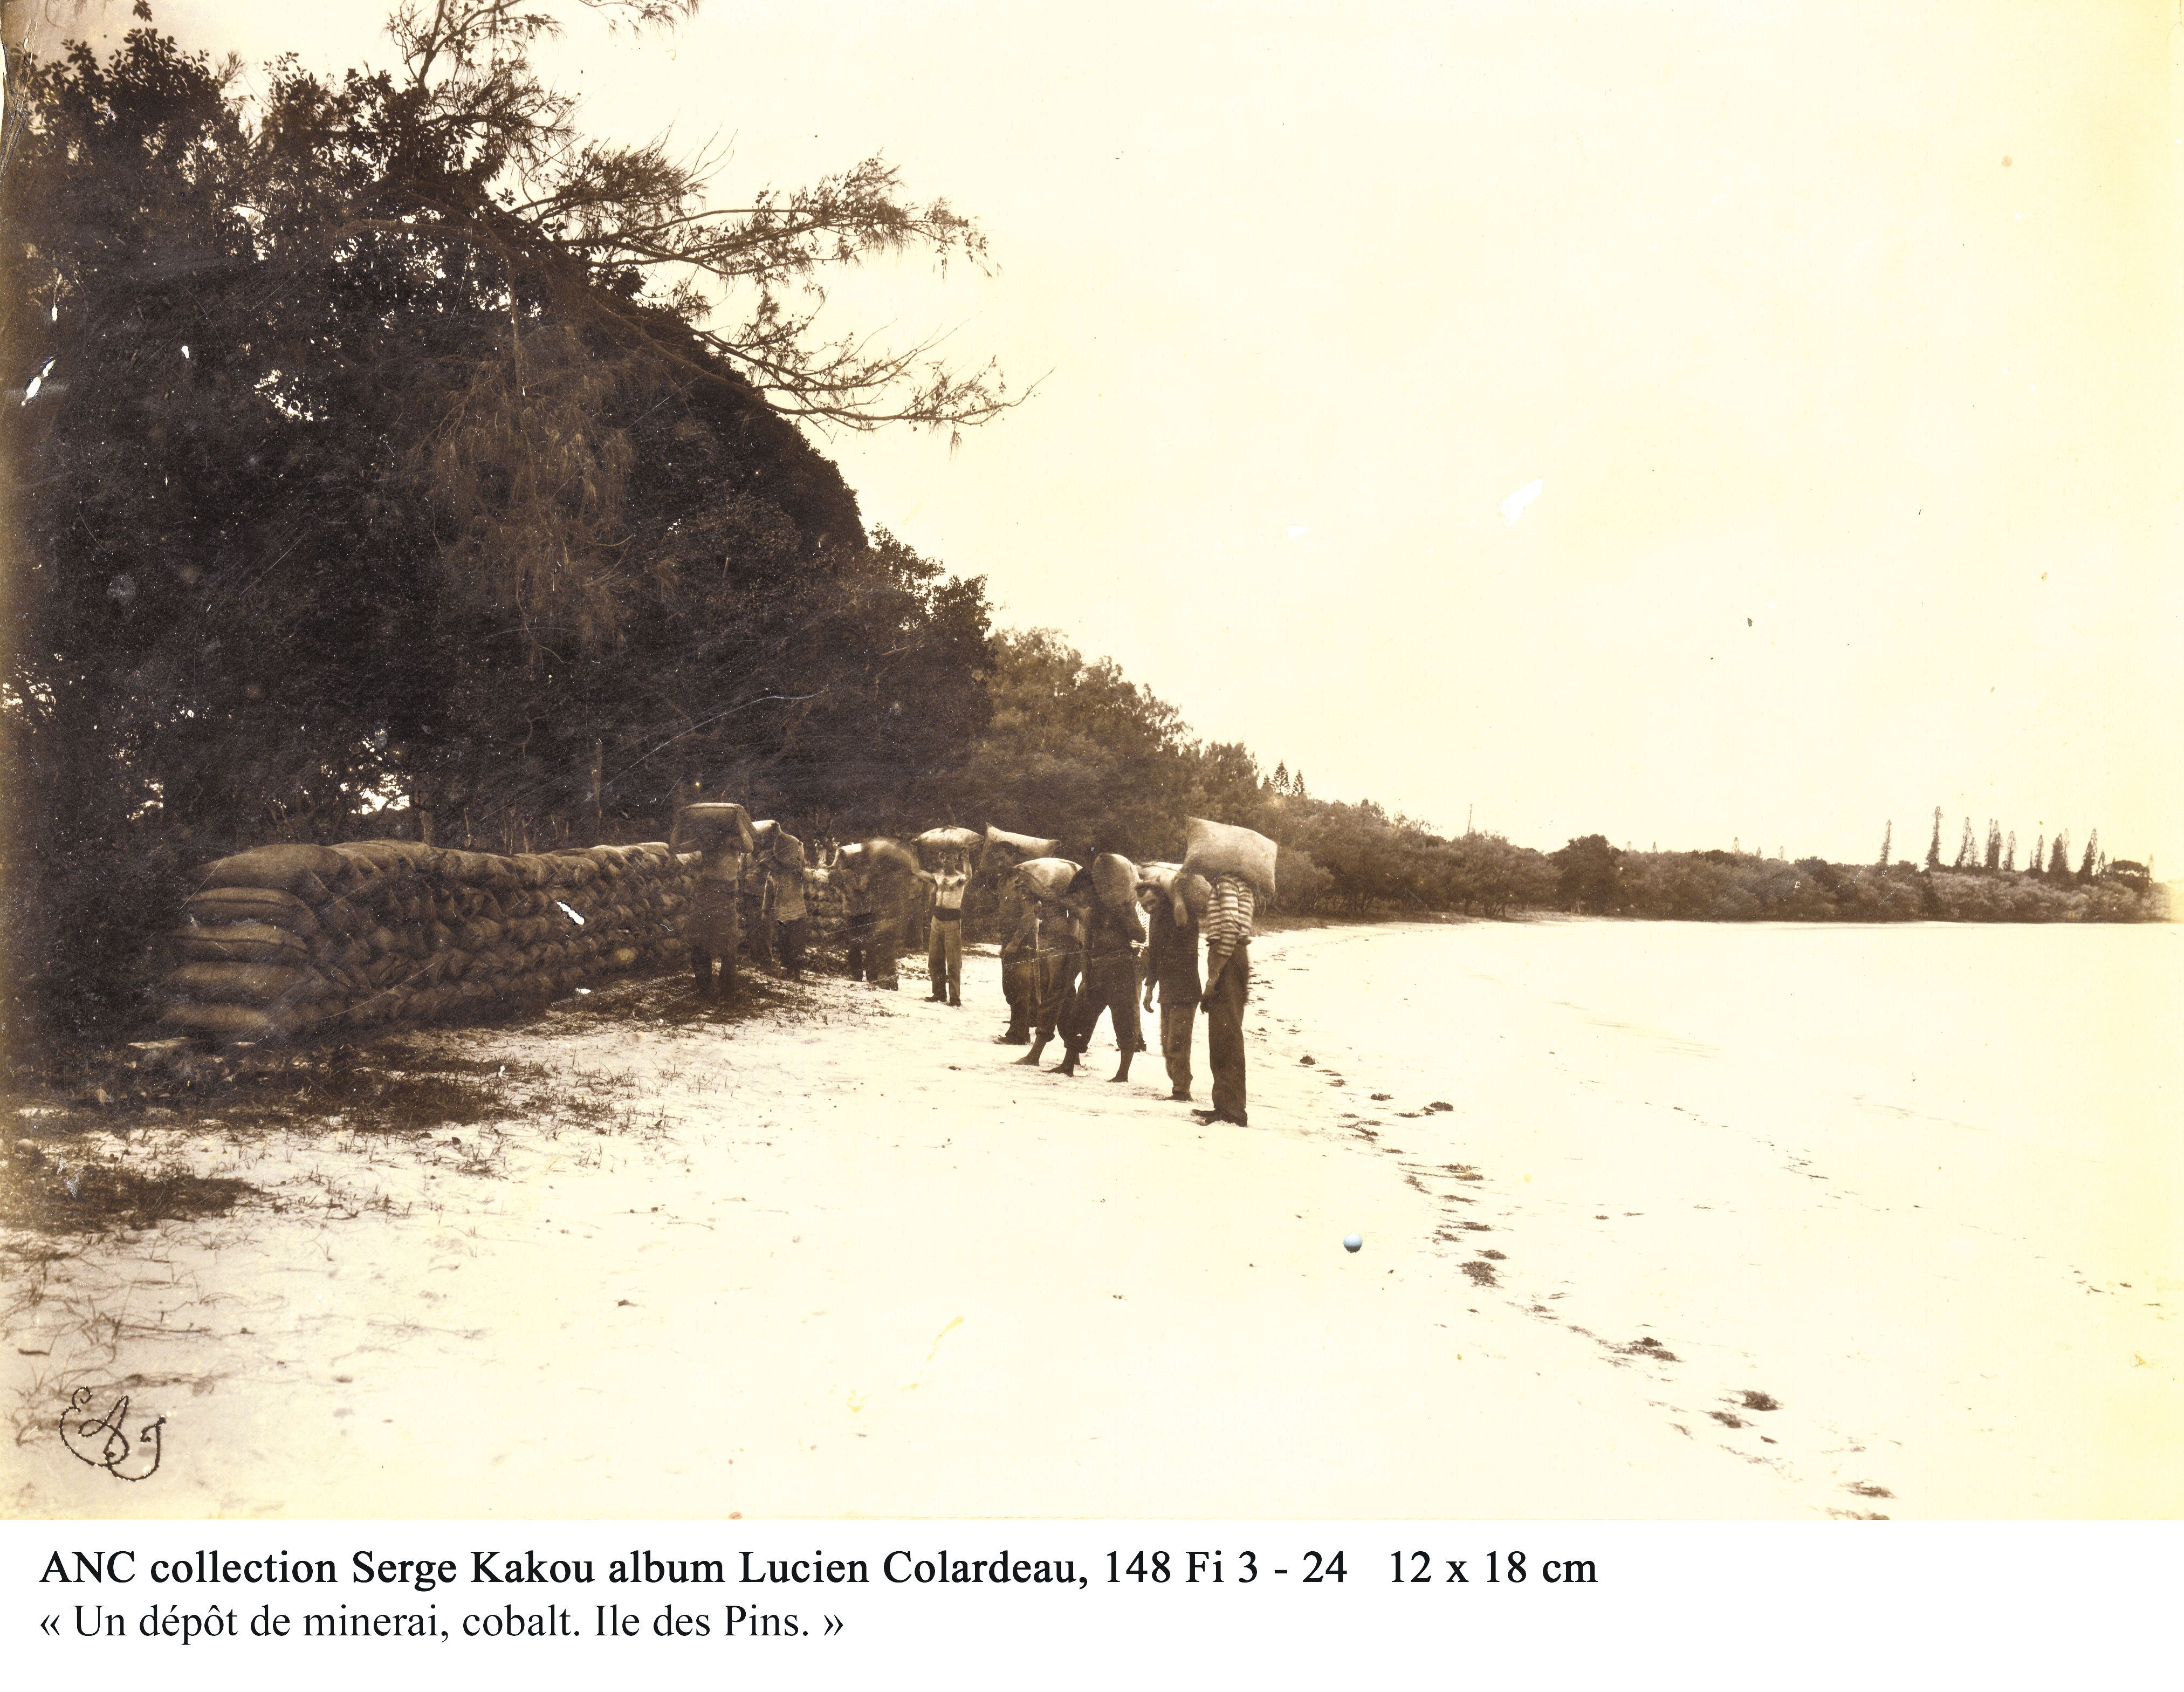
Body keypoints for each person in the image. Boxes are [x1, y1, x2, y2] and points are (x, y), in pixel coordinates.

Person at [1059, 874, 1145, 1080]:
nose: (1083, 897)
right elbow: (1086, 947)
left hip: (1121, 970)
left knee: (1124, 1020)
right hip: (1097, 970)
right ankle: (1068, 1065)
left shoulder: (1123, 907)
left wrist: (1121, 917)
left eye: (1085, 892)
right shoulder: (1092, 913)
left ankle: (1122, 1074)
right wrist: (1087, 979)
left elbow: (1141, 935)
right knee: (1079, 1016)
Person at [1193, 871, 1255, 1126]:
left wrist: (1214, 975)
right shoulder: (1245, 885)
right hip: (1235, 957)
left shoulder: (1225, 883)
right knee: (1225, 1033)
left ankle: (1232, 1111)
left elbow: (1230, 927)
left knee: (1225, 1035)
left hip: (1226, 956)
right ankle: (1225, 1105)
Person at [673, 808, 746, 1003]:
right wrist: (679, 823)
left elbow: (749, 846)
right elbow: (674, 848)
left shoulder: (732, 841)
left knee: (729, 948)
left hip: (725, 897)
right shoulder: (704, 842)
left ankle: (727, 992)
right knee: (699, 946)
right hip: (705, 897)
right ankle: (705, 991)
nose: (708, 835)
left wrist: (739, 820)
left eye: (712, 830)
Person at [1140, 879, 1201, 1101]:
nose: (1149, 909)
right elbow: (1155, 958)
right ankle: (1180, 1084)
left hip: (1185, 990)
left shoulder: (1182, 913)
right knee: (1167, 1047)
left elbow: (1182, 919)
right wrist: (1149, 989)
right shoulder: (1157, 920)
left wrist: (1175, 892)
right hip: (1167, 990)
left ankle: (1182, 1091)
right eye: (1145, 906)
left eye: (1153, 903)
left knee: (1177, 1042)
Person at [1011, 892, 1082, 1067]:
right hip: (1058, 947)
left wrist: (1054, 901)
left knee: (1053, 998)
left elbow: (1073, 927)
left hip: (1064, 948)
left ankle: (1035, 1054)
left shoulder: (1068, 904)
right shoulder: (1056, 903)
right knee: (1066, 1002)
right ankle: (1073, 1055)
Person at [919, 853, 970, 1005]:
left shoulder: (959, 879)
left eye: (948, 857)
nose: (944, 860)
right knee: (934, 960)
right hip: (937, 921)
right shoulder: (937, 878)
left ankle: (955, 998)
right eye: (942, 857)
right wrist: (915, 851)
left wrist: (966, 856)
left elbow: (969, 874)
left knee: (953, 962)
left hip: (952, 922)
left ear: (955, 859)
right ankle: (939, 994)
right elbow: (916, 871)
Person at [994, 870, 1036, 1044]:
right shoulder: (1003, 882)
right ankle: (1020, 1029)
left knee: (1021, 988)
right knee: (1010, 988)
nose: (999, 864)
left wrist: (1015, 942)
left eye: (1004, 858)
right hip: (1008, 940)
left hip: (1022, 942)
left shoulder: (1022, 883)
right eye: (998, 859)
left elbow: (1029, 916)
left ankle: (1018, 1034)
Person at [768, 830, 810, 980]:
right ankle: (789, 971)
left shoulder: (798, 873)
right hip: (782, 915)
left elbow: (809, 878)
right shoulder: (774, 874)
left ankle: (796, 973)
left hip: (798, 914)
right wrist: (765, 910)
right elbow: (769, 893)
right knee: (784, 944)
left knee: (796, 945)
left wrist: (801, 869)